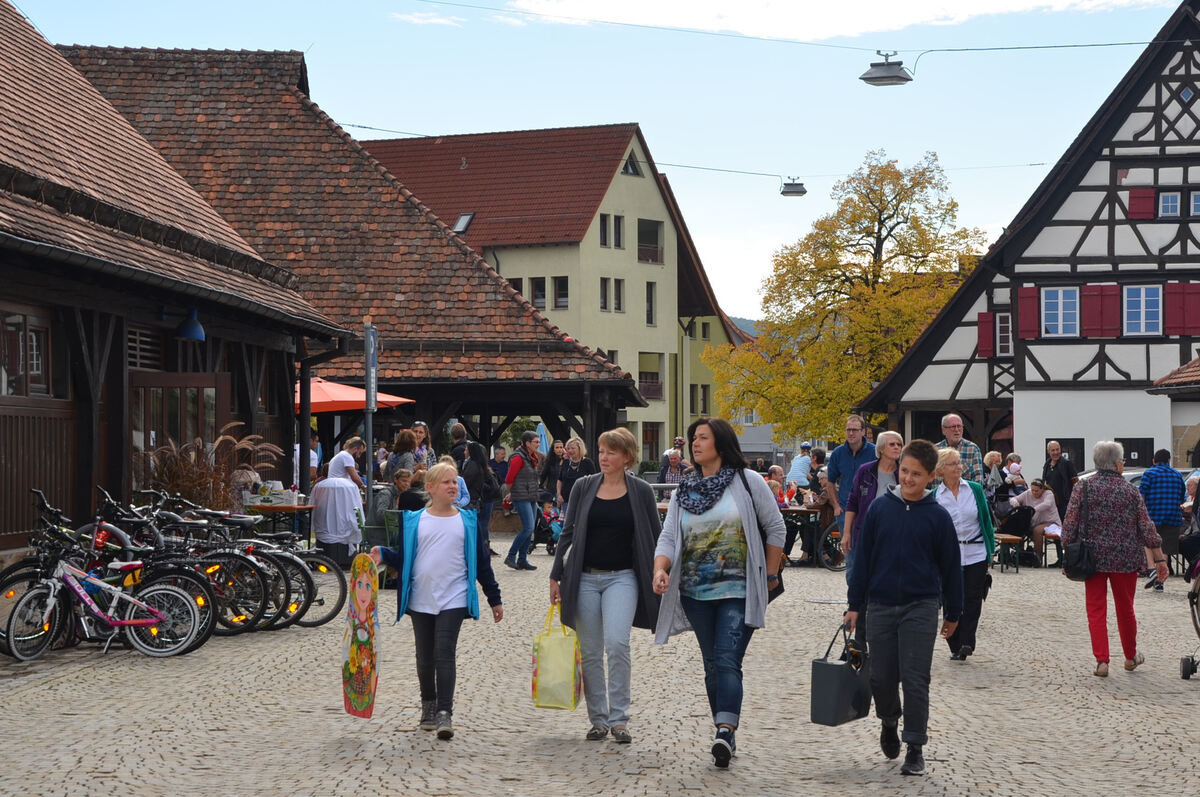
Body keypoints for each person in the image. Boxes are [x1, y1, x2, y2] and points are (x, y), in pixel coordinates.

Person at [652, 417, 785, 769]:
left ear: (720, 443)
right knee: (712, 665)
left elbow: (776, 527)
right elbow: (668, 536)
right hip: (695, 592)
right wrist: (660, 568)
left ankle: (725, 730)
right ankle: (723, 727)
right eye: (693, 438)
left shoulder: (748, 481)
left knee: (727, 659)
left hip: (738, 590)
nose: (695, 444)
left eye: (703, 438)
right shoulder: (685, 490)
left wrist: (770, 573)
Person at [846, 439, 963, 777]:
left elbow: (951, 568)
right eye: (905, 471)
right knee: (881, 678)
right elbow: (862, 561)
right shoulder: (882, 509)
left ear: (931, 477)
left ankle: (914, 747)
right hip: (879, 604)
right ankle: (889, 719)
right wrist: (855, 605)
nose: (908, 479)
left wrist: (953, 613)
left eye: (917, 474)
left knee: (915, 678)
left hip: (921, 605)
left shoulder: (938, 517)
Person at [369, 462, 503, 739]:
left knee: (444, 653)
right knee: (424, 658)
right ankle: (427, 707)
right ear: (430, 488)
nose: (453, 486)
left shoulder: (467, 521)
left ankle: (445, 712)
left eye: (455, 482)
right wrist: (383, 553)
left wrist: (494, 597)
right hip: (421, 598)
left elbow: (481, 562)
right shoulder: (414, 521)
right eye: (446, 482)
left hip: (453, 597)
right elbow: (405, 557)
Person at [549, 427, 661, 744]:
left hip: (622, 577)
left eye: (611, 452)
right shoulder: (584, 486)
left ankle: (619, 719)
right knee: (591, 651)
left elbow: (656, 536)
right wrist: (554, 575)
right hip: (583, 577)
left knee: (617, 643)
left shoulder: (641, 491)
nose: (604, 457)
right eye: (601, 451)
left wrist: (659, 571)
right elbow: (567, 534)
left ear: (627, 456)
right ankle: (598, 720)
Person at [1060, 441, 1167, 677]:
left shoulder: (1084, 488)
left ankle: (1102, 661)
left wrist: (1067, 554)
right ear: (1118, 464)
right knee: (1125, 608)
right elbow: (1146, 528)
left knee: (1095, 609)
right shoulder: (1131, 490)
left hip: (1091, 558)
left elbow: (1069, 525)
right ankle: (1130, 657)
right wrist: (1159, 559)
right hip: (1125, 558)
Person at [933, 447, 995, 662]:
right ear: (942, 469)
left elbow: (986, 521)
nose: (959, 467)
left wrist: (990, 551)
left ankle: (967, 641)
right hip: (950, 555)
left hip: (976, 551)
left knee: (973, 598)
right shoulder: (936, 496)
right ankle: (955, 642)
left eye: (959, 463)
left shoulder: (975, 490)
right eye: (953, 464)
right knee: (951, 599)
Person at [843, 430, 904, 584]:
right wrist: (846, 533)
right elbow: (853, 501)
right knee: (857, 576)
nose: (897, 447)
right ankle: (857, 607)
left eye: (899, 444)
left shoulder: (904, 473)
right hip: (865, 532)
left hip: (894, 535)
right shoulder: (866, 470)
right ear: (881, 448)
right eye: (892, 444)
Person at [825, 415, 877, 572]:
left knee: (872, 556)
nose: (851, 433)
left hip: (870, 512)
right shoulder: (838, 453)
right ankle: (854, 595)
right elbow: (830, 482)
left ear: (863, 431)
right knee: (851, 558)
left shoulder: (875, 452)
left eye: (855, 430)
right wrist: (835, 505)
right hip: (845, 512)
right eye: (848, 430)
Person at [311, 437, 367, 567]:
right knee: (345, 515)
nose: (359, 456)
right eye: (359, 453)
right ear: (355, 449)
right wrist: (363, 486)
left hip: (333, 488)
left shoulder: (339, 455)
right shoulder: (347, 456)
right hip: (340, 490)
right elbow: (354, 476)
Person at [1139, 448, 1187, 591]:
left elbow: (1141, 496)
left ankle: (1151, 568)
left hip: (1152, 515)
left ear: (1154, 461)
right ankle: (1160, 582)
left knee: (1147, 541)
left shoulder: (1149, 473)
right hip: (1172, 517)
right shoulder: (1177, 475)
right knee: (1164, 548)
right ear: (1168, 460)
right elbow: (1181, 497)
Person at [504, 430, 542, 570]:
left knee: (530, 528)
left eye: (538, 441)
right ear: (527, 443)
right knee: (528, 528)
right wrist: (512, 493)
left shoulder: (530, 457)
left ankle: (522, 559)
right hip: (521, 496)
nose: (538, 444)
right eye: (536, 442)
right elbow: (509, 479)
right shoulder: (518, 457)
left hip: (530, 495)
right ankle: (511, 556)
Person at [1008, 478, 1060, 558]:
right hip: (1034, 522)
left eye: (1037, 491)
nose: (1034, 492)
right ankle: (1020, 553)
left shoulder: (1048, 494)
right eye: (1032, 490)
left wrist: (1033, 509)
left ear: (1042, 489)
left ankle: (1038, 556)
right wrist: (1015, 502)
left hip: (1050, 522)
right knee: (1020, 526)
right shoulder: (1028, 493)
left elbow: (1047, 504)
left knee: (1037, 530)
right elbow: (1013, 499)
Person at [462, 442, 498, 555]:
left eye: (466, 449)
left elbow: (465, 482)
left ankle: (479, 548)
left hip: (472, 499)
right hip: (478, 499)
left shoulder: (473, 465)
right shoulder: (480, 465)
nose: (464, 451)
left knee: (477, 525)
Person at [934, 413, 983, 484]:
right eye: (953, 427)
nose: (957, 430)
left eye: (959, 426)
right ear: (943, 430)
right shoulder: (935, 450)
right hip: (939, 494)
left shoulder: (972, 449)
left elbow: (978, 480)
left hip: (964, 494)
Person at [557, 436, 596, 515]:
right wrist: (559, 494)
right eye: (568, 448)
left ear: (580, 448)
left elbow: (594, 481)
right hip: (566, 500)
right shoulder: (566, 462)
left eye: (573, 448)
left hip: (582, 500)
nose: (570, 450)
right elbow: (560, 480)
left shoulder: (587, 462)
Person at [1042, 440, 1078, 523]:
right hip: (1052, 503)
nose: (1056, 452)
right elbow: (1045, 482)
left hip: (1064, 503)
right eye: (1053, 450)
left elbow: (1076, 482)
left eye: (1057, 449)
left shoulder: (1066, 463)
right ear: (1048, 451)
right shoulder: (1047, 464)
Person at [541, 439, 566, 506]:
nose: (559, 449)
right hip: (552, 490)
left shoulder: (567, 461)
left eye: (561, 447)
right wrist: (539, 485)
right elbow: (543, 475)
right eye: (557, 447)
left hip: (564, 491)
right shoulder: (549, 461)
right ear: (553, 449)